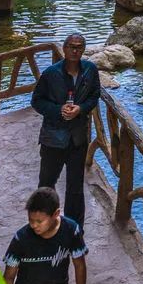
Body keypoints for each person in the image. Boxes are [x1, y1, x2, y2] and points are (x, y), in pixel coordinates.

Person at [31, 33, 100, 228]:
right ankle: (41, 223)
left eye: (79, 47)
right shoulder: (51, 74)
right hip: (53, 137)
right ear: (64, 48)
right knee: (46, 184)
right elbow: (37, 101)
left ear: (83, 50)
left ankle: (74, 229)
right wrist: (58, 110)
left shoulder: (90, 70)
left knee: (75, 187)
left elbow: (95, 95)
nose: (75, 50)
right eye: (71, 46)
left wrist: (81, 109)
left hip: (78, 138)